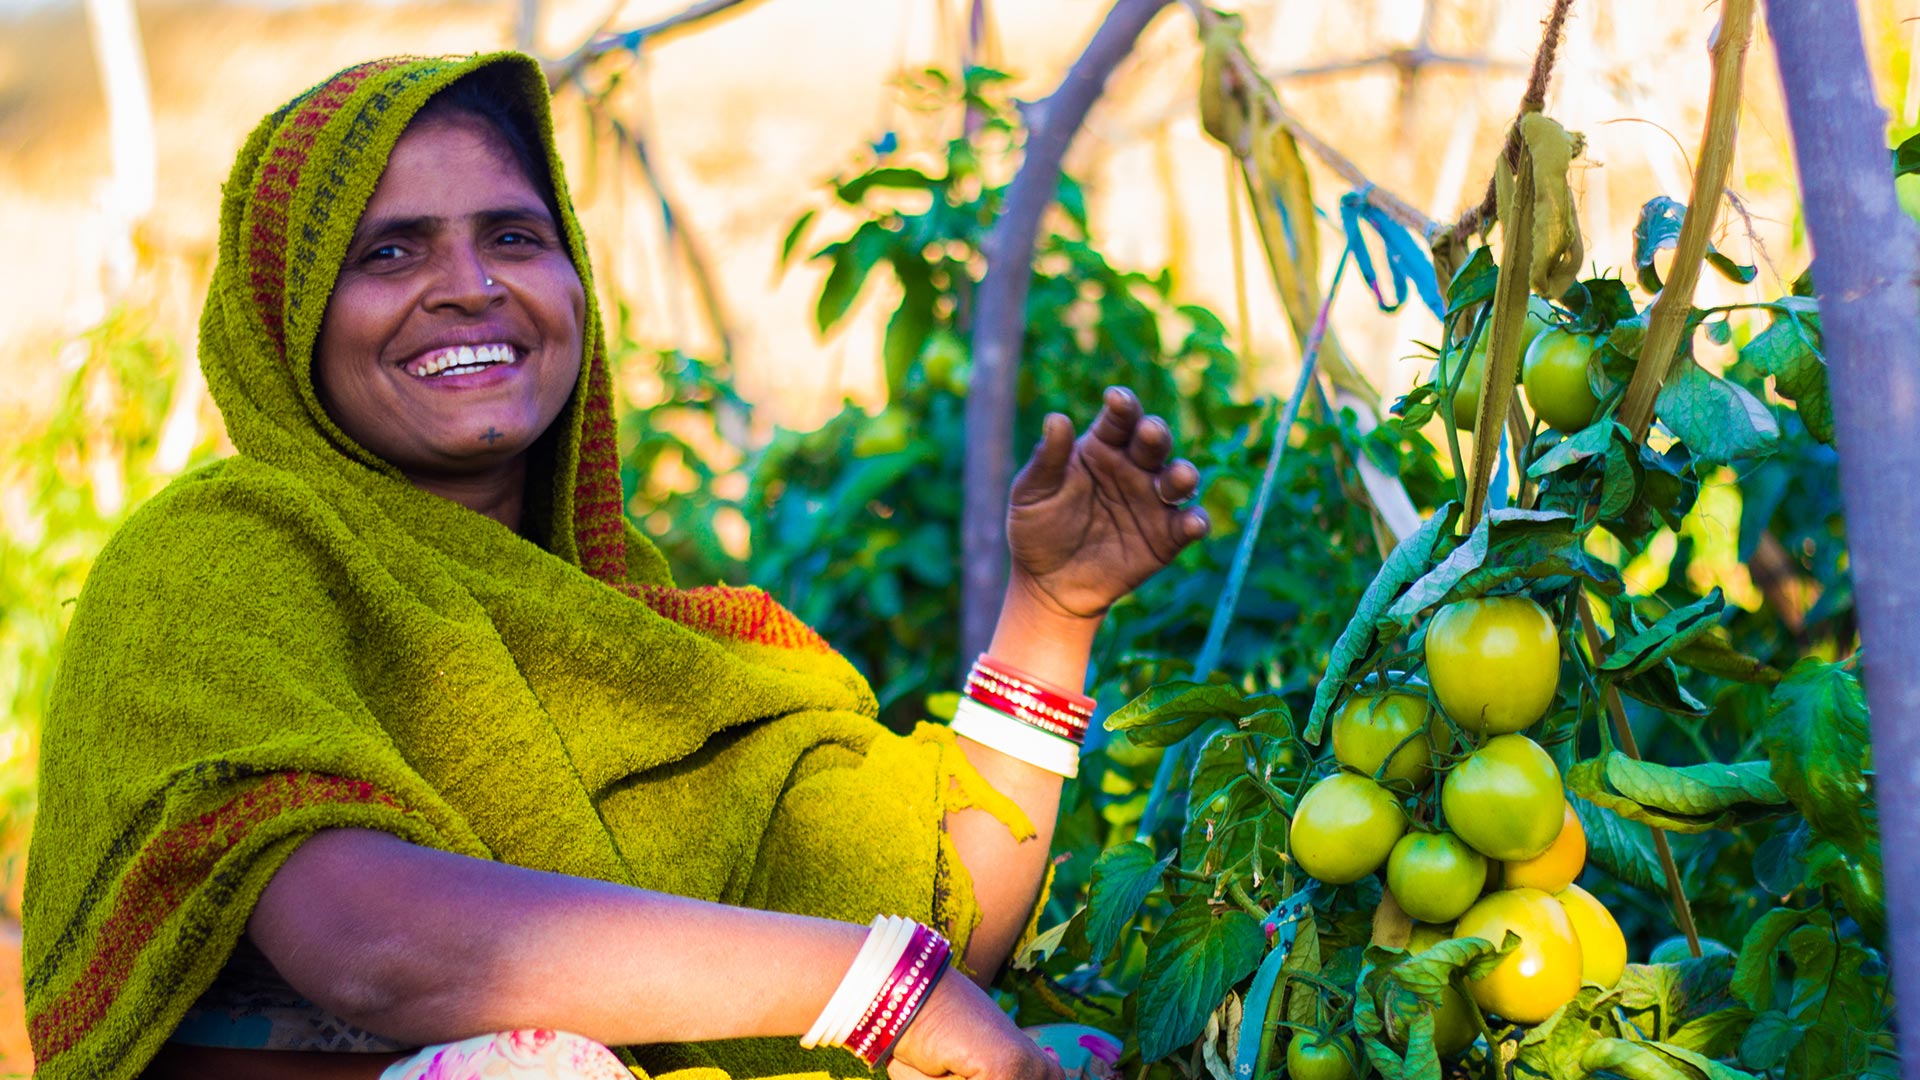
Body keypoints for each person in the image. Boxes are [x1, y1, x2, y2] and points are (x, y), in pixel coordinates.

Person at [24, 52, 1209, 1080]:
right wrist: (865, 982)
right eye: (389, 252)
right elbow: (372, 944)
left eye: (513, 237)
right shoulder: (220, 561)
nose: (470, 287)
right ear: (285, 318)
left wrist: (1052, 611)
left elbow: (942, 932)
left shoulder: (635, 629)